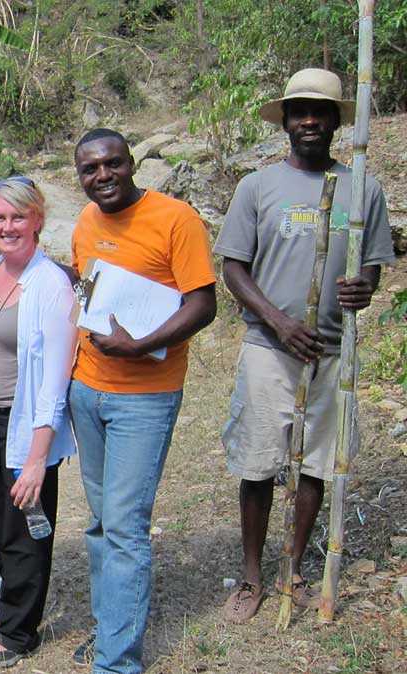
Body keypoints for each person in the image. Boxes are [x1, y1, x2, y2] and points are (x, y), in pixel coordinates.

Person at [215, 68, 397, 623]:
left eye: (321, 112)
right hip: (270, 350)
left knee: (317, 461)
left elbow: (373, 262)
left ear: (338, 120)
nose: (310, 121)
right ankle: (251, 577)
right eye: (300, 113)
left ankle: (292, 565)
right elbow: (233, 267)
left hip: (332, 351)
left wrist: (365, 285)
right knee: (259, 461)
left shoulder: (361, 185)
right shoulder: (259, 187)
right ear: (288, 122)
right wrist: (277, 321)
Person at [67, 129, 217, 673]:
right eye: (89, 169)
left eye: (112, 164)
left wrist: (142, 344)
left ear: (132, 164)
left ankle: (117, 662)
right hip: (87, 391)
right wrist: (22, 259)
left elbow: (203, 305)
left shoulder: (176, 219)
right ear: (79, 176)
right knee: (102, 522)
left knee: (125, 526)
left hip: (144, 399)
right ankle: (112, 627)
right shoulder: (86, 222)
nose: (102, 176)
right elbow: (90, 288)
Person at [0, 177, 78, 668]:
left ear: (38, 221)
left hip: (25, 425)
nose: (8, 227)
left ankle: (20, 631)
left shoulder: (51, 287)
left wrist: (37, 459)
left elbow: (54, 383)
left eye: (18, 217)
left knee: (26, 527)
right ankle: (13, 609)